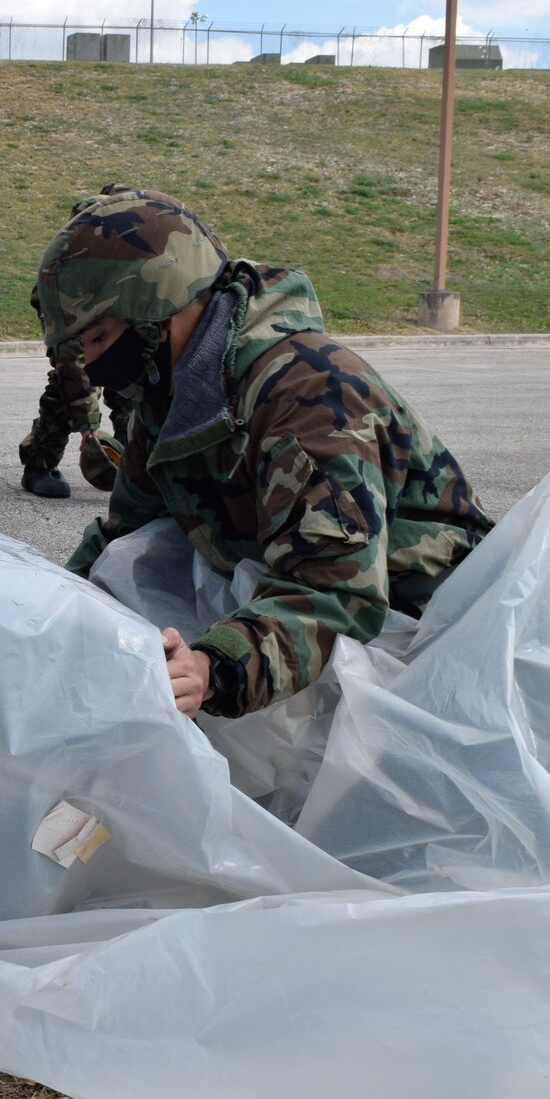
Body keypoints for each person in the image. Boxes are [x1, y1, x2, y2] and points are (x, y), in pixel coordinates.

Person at [39, 190, 493, 719]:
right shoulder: (175, 397)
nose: (92, 364)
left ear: (156, 315)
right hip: (325, 628)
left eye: (98, 338)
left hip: (431, 645)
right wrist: (45, 610)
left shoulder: (310, 397)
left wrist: (212, 667)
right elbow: (127, 534)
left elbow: (334, 591)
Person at [17, 185, 162, 500]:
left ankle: (139, 471)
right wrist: (90, 431)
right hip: (80, 353)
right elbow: (72, 363)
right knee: (65, 396)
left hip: (122, 344)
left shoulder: (136, 268)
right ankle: (39, 463)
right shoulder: (63, 282)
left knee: (133, 399)